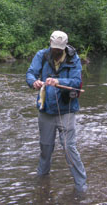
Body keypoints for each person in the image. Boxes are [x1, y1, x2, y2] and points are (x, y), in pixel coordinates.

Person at [26, 30, 87, 192]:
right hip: (46, 109)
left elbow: (76, 82)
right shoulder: (42, 55)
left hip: (67, 109)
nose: (56, 51)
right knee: (45, 147)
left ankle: (81, 185)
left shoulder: (74, 59)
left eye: (59, 48)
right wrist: (34, 82)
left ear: (65, 47)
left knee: (69, 148)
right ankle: (42, 180)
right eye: (54, 48)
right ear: (50, 44)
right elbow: (30, 73)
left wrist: (59, 81)